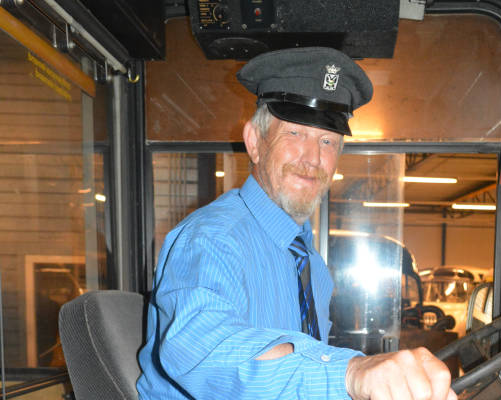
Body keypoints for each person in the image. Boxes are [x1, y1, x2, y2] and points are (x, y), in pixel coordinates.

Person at [137, 47, 457, 400]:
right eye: (295, 133)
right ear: (254, 142)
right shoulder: (212, 238)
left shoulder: (310, 263)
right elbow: (204, 351)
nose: (313, 158)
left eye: (327, 140)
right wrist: (350, 373)